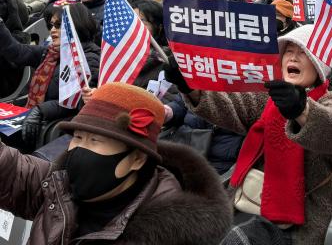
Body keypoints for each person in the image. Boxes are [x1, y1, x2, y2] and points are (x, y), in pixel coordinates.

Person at [166, 25, 332, 244]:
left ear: (319, 66)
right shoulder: (269, 97)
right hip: (253, 197)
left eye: (303, 52)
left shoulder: (330, 100)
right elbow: (231, 106)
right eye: (289, 52)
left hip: (307, 214)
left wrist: (302, 111)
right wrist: (190, 86)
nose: (294, 57)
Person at [0, 82, 232, 243]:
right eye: (77, 137)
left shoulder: (166, 234)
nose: (79, 149)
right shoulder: (60, 184)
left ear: (137, 159)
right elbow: (13, 170)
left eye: (95, 140)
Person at [0, 3, 101, 149]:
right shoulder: (51, 52)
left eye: (59, 25)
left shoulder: (89, 59)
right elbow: (16, 52)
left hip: (54, 127)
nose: (52, 30)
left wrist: (41, 110)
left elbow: (77, 101)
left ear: (76, 26)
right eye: (51, 25)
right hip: (34, 116)